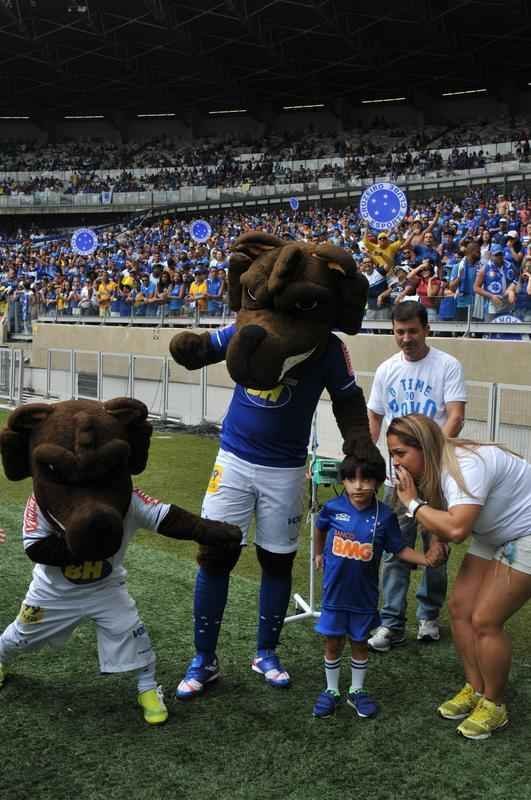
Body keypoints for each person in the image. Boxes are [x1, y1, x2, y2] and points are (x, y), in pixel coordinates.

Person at [387, 413, 531, 740]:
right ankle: (477, 690)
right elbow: (445, 515)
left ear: (423, 446)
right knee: (460, 609)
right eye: (392, 453)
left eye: (400, 453)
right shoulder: (435, 466)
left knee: (485, 619)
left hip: (526, 532)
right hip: (494, 532)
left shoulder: (465, 463)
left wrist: (412, 503)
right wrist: (437, 541)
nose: (395, 462)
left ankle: (495, 705)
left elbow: (457, 525)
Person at [367, 301, 467, 651]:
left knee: (436, 548)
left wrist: (433, 458)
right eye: (399, 332)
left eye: (412, 331)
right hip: (397, 481)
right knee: (395, 549)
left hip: (436, 479)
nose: (406, 338)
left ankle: (428, 616)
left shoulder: (447, 366)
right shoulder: (386, 370)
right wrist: (368, 454)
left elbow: (455, 416)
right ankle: (391, 623)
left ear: (426, 329)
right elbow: (375, 416)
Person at [312, 455, 441, 720]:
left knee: (359, 643)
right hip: (334, 595)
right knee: (333, 643)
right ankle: (331, 690)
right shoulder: (333, 508)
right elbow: (320, 527)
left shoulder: (385, 516)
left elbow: (400, 548)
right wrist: (317, 553)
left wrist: (426, 559)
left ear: (380, 482)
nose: (358, 486)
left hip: (364, 597)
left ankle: (356, 691)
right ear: (343, 481)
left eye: (366, 479)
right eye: (351, 479)